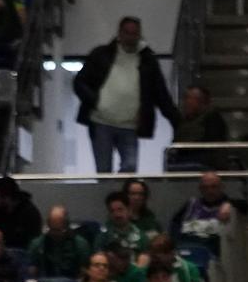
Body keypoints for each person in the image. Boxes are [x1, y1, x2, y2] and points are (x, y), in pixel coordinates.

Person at [73, 16, 177, 173]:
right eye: (127, 33)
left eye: (134, 33)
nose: (131, 37)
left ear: (140, 35)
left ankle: (122, 195)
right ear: (119, 34)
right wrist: (96, 102)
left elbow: (160, 93)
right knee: (104, 171)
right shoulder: (101, 54)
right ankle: (110, 195)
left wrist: (176, 119)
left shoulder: (148, 60)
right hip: (101, 121)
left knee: (130, 166)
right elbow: (80, 82)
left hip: (130, 125)